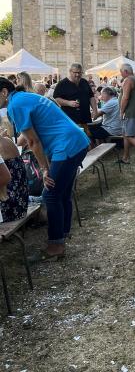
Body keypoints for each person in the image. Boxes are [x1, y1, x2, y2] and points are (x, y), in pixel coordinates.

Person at [0, 77, 90, 260]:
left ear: (3, 92)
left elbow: (33, 141)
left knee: (50, 194)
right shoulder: (25, 97)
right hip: (77, 142)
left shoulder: (15, 105)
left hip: (67, 146)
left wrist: (44, 169)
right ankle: (62, 234)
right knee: (62, 193)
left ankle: (55, 246)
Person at [53, 63, 97, 130]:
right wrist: (68, 103)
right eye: (75, 72)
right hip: (71, 118)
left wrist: (95, 110)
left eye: (79, 72)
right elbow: (57, 98)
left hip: (85, 117)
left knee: (87, 137)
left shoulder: (84, 82)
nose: (77, 75)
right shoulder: (62, 84)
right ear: (70, 71)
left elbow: (91, 97)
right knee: (75, 138)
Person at [0, 136, 28, 223]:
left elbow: (6, 178)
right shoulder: (6, 140)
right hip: (21, 205)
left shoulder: (1, 146)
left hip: (10, 208)